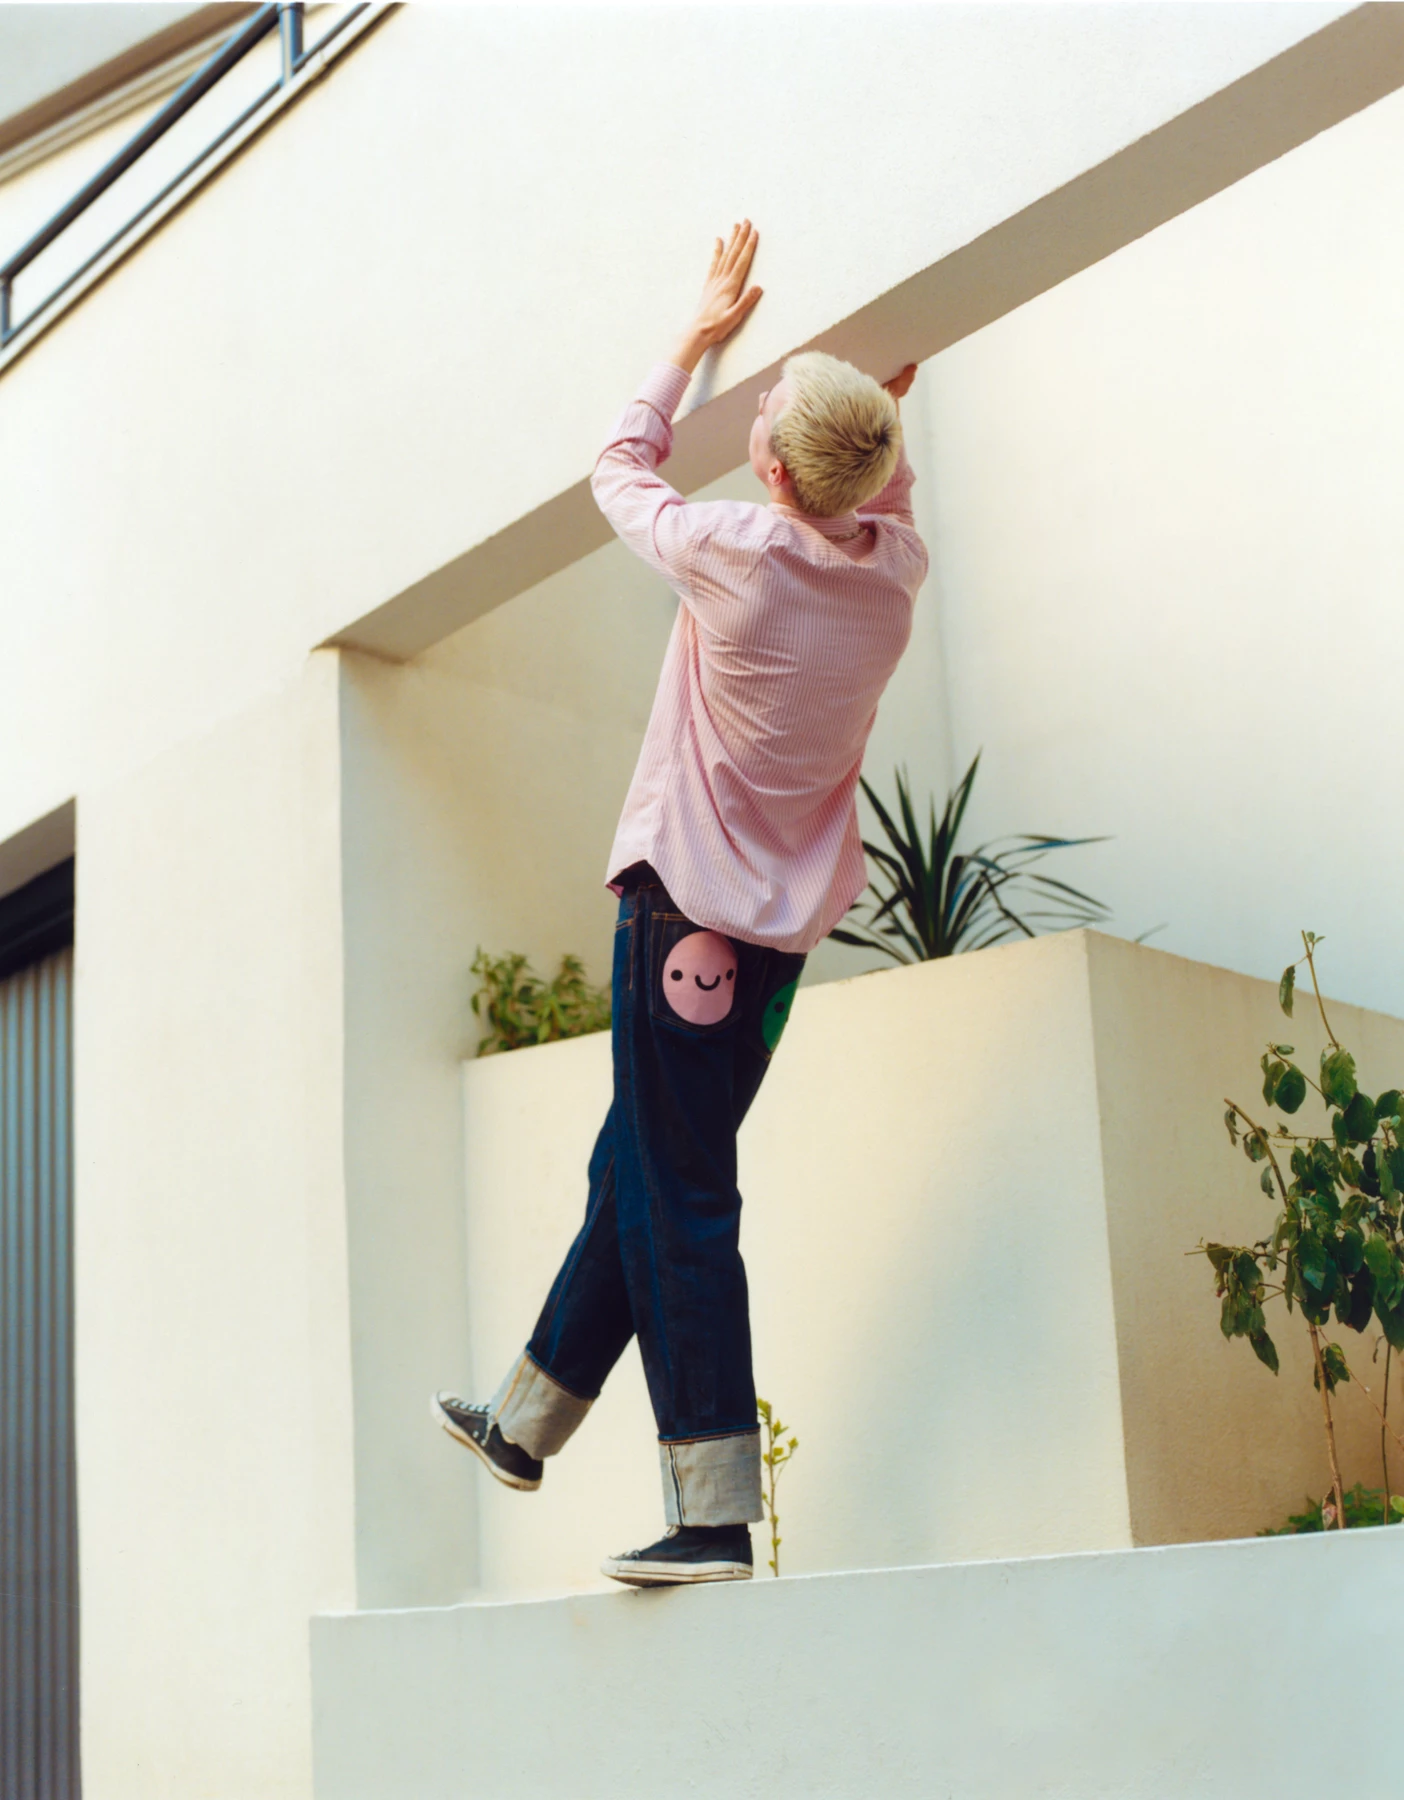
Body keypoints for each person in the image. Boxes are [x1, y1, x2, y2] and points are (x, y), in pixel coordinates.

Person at [433, 221, 928, 1586]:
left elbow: (616, 466)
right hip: (770, 945)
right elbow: (874, 488)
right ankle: (527, 1420)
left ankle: (712, 1513)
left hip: (676, 921)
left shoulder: (734, 554)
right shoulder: (893, 581)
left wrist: (696, 336)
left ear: (773, 475)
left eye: (770, 413)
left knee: (683, 1201)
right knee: (638, 1175)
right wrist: (880, 419)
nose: (760, 404)